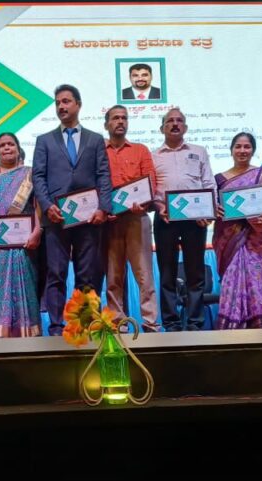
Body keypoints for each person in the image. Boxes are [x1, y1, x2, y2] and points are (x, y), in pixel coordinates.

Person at [33, 84, 112, 336]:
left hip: (89, 219)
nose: (61, 106)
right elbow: (38, 177)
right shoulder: (44, 140)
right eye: (57, 103)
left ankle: (84, 325)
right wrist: (47, 206)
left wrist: (103, 208)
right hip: (56, 218)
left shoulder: (95, 139)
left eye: (66, 101)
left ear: (78, 104)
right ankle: (57, 327)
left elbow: (103, 175)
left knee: (86, 275)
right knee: (56, 274)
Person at [151, 106, 213, 331]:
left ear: (185, 127)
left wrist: (208, 212)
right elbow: (150, 190)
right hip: (165, 218)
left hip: (195, 220)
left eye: (179, 120)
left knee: (195, 273)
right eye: (170, 121)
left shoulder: (199, 151)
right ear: (162, 128)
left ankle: (195, 322)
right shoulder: (153, 156)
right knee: (167, 273)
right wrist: (158, 206)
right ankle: (171, 323)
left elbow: (209, 183)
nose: (175, 124)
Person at [0, 133, 42, 337]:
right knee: (0, 289)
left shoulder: (30, 174)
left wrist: (37, 231)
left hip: (26, 243)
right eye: (2, 145)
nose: (6, 148)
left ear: (18, 148)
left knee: (27, 286)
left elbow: (38, 206)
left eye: (10, 144)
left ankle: (29, 334)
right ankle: (1, 335)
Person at [213, 132, 262, 329]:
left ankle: (260, 329)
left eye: (247, 147)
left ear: (253, 150)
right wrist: (216, 209)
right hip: (230, 238)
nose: (242, 150)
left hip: (259, 236)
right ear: (231, 150)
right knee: (230, 281)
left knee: (259, 282)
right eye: (238, 146)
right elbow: (214, 206)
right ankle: (231, 331)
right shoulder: (218, 179)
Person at [102, 104, 159, 331]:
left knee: (144, 274)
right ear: (106, 124)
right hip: (110, 221)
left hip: (137, 217)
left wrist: (143, 201)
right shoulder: (98, 151)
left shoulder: (140, 150)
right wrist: (104, 208)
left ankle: (151, 323)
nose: (120, 122)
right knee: (113, 275)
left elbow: (150, 181)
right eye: (115, 118)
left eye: (124, 118)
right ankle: (118, 323)